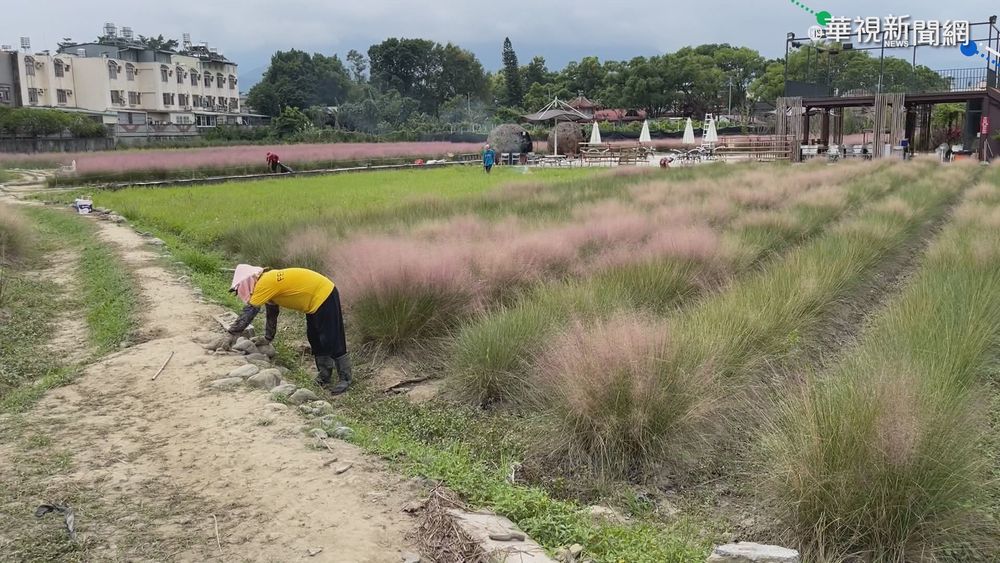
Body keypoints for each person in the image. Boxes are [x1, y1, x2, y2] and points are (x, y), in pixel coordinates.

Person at [227, 264, 352, 394]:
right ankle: (324, 375)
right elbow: (272, 313)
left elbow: (249, 312)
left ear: (246, 281)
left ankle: (345, 378)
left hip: (324, 294)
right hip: (312, 302)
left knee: (331, 337)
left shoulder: (263, 284)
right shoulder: (266, 284)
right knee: (314, 337)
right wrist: (268, 338)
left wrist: (231, 335)